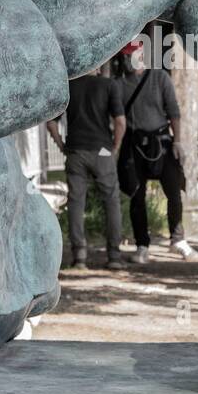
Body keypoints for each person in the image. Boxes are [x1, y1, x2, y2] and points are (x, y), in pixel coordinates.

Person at [116, 41, 198, 262]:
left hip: (162, 142)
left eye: (132, 55)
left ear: (141, 55)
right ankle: (142, 245)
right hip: (134, 145)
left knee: (174, 192)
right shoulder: (119, 85)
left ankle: (178, 239)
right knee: (137, 195)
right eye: (126, 56)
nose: (128, 59)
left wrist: (178, 142)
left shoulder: (160, 78)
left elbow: (174, 112)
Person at [47, 73, 127, 270]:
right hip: (102, 150)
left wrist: (61, 145)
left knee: (76, 202)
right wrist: (114, 147)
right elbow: (120, 122)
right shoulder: (109, 84)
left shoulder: (68, 86)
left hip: (75, 150)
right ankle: (114, 255)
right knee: (111, 200)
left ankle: (79, 256)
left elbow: (51, 122)